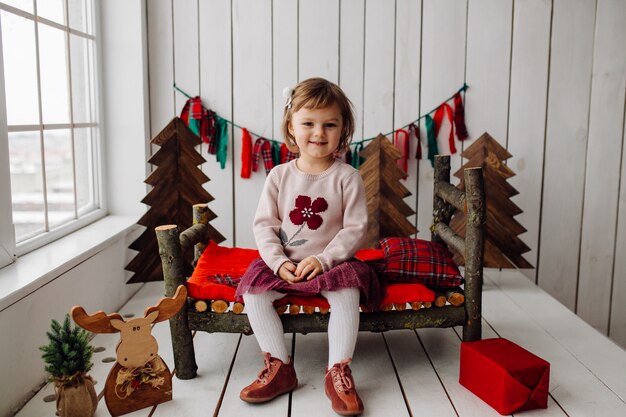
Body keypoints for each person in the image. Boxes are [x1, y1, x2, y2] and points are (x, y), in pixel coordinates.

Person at [235, 77, 384, 416]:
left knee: (348, 294)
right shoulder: (278, 176)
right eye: (309, 124)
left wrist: (325, 258)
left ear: (343, 130)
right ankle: (280, 366)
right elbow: (264, 226)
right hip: (285, 263)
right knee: (254, 293)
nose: (319, 132)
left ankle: (338, 370)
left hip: (331, 264)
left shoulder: (347, 177)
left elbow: (354, 228)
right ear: (291, 126)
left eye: (329, 124)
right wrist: (276, 262)